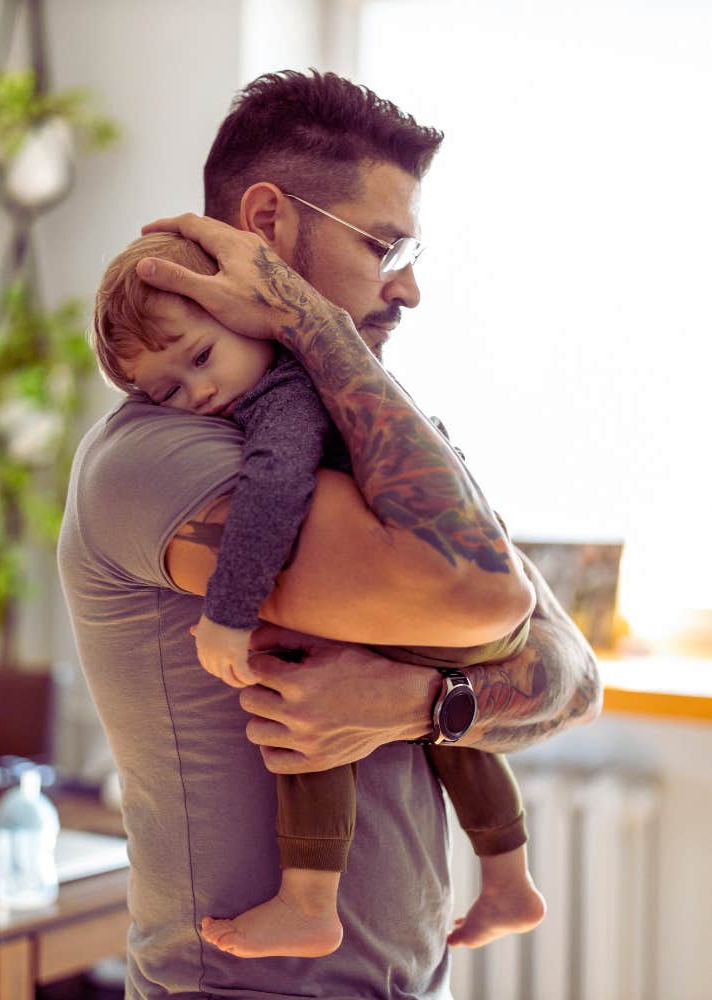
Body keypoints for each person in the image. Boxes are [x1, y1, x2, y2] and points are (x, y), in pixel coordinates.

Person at [58, 70, 602, 1000]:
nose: (412, 287)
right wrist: (311, 319)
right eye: (385, 245)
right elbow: (485, 597)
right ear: (267, 225)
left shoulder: (381, 438)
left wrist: (422, 701)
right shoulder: (159, 455)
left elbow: (575, 678)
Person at [90, 230, 546, 960]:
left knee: (298, 686)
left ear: (247, 314)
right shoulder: (311, 386)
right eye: (169, 390)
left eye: (202, 357)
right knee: (442, 729)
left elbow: (272, 493)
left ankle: (308, 901)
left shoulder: (283, 398)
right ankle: (508, 879)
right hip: (475, 612)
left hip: (448, 592)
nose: (198, 392)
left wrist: (230, 615)